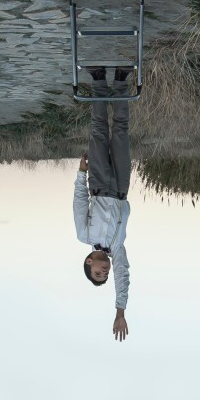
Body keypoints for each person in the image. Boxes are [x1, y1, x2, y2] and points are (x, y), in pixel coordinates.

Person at [74, 66, 133, 342]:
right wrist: (120, 310)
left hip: (98, 183)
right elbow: (123, 276)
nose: (105, 271)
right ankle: (121, 80)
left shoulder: (84, 235)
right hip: (120, 187)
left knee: (99, 130)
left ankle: (98, 79)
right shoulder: (117, 249)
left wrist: (81, 173)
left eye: (98, 272)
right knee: (120, 131)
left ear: (89, 262)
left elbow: (79, 202)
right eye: (104, 275)